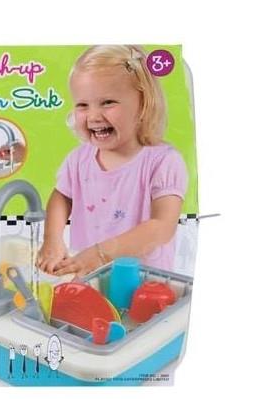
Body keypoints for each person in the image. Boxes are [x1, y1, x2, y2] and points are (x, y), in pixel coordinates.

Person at [37, 45, 187, 277]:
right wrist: (52, 239)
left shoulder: (163, 161)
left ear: (143, 104)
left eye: (107, 102)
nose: (94, 116)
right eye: (82, 105)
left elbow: (162, 227)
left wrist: (100, 254)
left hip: (143, 283)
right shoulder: (78, 159)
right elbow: (61, 197)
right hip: (88, 277)